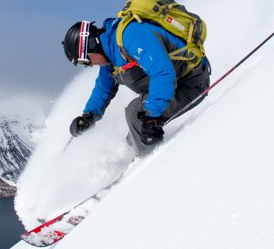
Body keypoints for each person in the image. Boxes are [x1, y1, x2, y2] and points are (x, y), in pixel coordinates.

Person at [62, 18, 211, 154]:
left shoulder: (131, 37)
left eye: (84, 61)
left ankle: (151, 166)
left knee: (136, 114)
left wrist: (152, 116)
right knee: (133, 136)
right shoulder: (111, 55)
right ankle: (132, 161)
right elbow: (103, 88)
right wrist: (88, 116)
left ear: (91, 45)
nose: (88, 66)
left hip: (192, 82)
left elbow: (162, 72)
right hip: (175, 85)